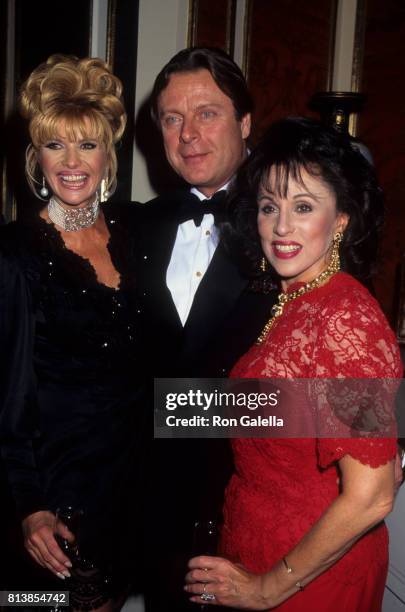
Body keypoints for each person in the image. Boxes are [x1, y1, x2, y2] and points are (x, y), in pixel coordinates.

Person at [184, 117, 403, 611]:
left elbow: (372, 495)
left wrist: (268, 588)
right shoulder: (294, 301)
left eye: (303, 207)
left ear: (341, 219)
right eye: (269, 206)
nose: (281, 227)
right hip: (255, 551)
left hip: (307, 581)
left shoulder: (347, 317)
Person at [0, 55, 143, 611]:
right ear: (37, 156)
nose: (72, 161)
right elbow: (7, 403)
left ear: (109, 154)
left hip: (132, 489)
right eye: (55, 145)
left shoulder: (137, 233)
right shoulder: (15, 254)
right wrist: (30, 507)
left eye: (87, 144)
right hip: (59, 501)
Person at [137, 47, 276, 611]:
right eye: (173, 118)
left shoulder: (292, 224)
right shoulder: (140, 226)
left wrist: (175, 411)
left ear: (245, 123)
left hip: (249, 516)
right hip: (152, 516)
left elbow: (360, 407)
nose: (188, 134)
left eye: (207, 113)